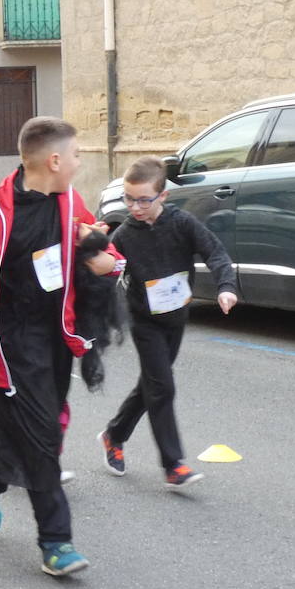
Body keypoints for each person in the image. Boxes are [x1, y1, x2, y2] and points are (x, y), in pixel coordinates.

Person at [0, 116, 117, 577]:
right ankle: (56, 542)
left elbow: (104, 259)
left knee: (36, 436)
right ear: (54, 160)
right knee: (42, 444)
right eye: (77, 155)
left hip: (57, 340)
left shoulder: (69, 201)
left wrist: (98, 250)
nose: (80, 162)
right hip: (8, 346)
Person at [100, 155, 237, 488]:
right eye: (129, 199)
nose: (135, 207)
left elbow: (215, 251)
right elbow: (105, 270)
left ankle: (114, 434)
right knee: (163, 386)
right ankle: (173, 464)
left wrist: (226, 287)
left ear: (163, 196)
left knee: (152, 384)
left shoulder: (182, 223)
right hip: (143, 320)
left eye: (144, 200)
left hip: (176, 316)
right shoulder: (124, 235)